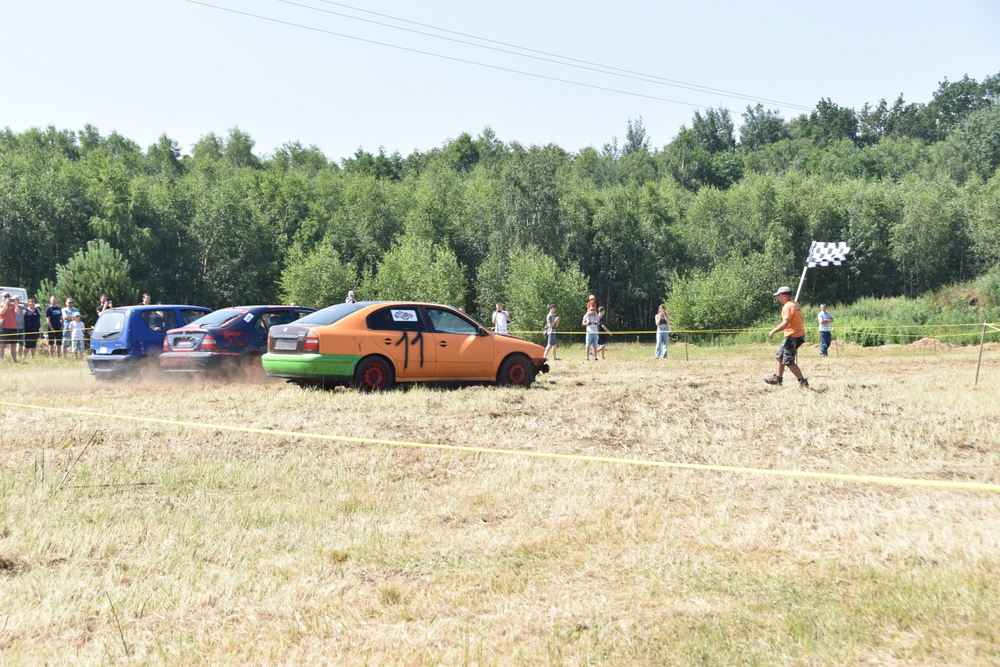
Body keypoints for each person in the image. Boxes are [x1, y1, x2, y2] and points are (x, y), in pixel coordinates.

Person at [765, 286, 808, 388]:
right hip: (796, 335)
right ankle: (778, 379)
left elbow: (785, 323)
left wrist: (773, 331)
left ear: (784, 296)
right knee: (779, 356)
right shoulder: (795, 304)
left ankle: (803, 381)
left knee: (788, 361)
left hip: (793, 336)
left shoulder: (788, 307)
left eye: (778, 296)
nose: (778, 298)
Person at [0, 293, 20, 363]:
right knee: (2, 344)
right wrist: (5, 304)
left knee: (13, 344)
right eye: (5, 296)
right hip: (4, 327)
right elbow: (2, 312)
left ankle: (15, 359)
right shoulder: (1, 304)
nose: (7, 297)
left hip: (13, 327)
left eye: (8, 296)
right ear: (2, 297)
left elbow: (17, 312)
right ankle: (1, 359)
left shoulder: (12, 305)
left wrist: (16, 304)